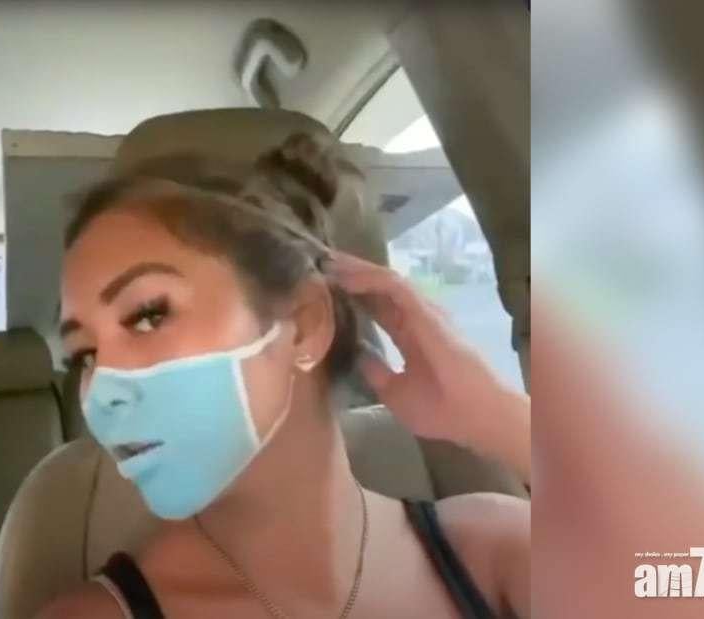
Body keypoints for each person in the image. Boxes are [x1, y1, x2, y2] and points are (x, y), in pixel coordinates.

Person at [42, 134, 530, 618]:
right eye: (84, 355)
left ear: (304, 323)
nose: (100, 392)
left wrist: (501, 419)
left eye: (148, 315)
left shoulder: (496, 553)